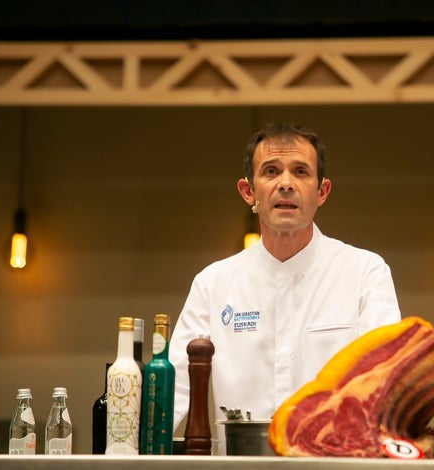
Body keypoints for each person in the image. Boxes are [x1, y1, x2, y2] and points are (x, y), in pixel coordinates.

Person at [168, 122, 401, 432]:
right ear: (248, 191)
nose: (286, 183)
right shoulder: (213, 284)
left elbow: (385, 383)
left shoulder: (365, 272)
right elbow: (174, 392)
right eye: (271, 171)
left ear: (322, 192)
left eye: (301, 172)